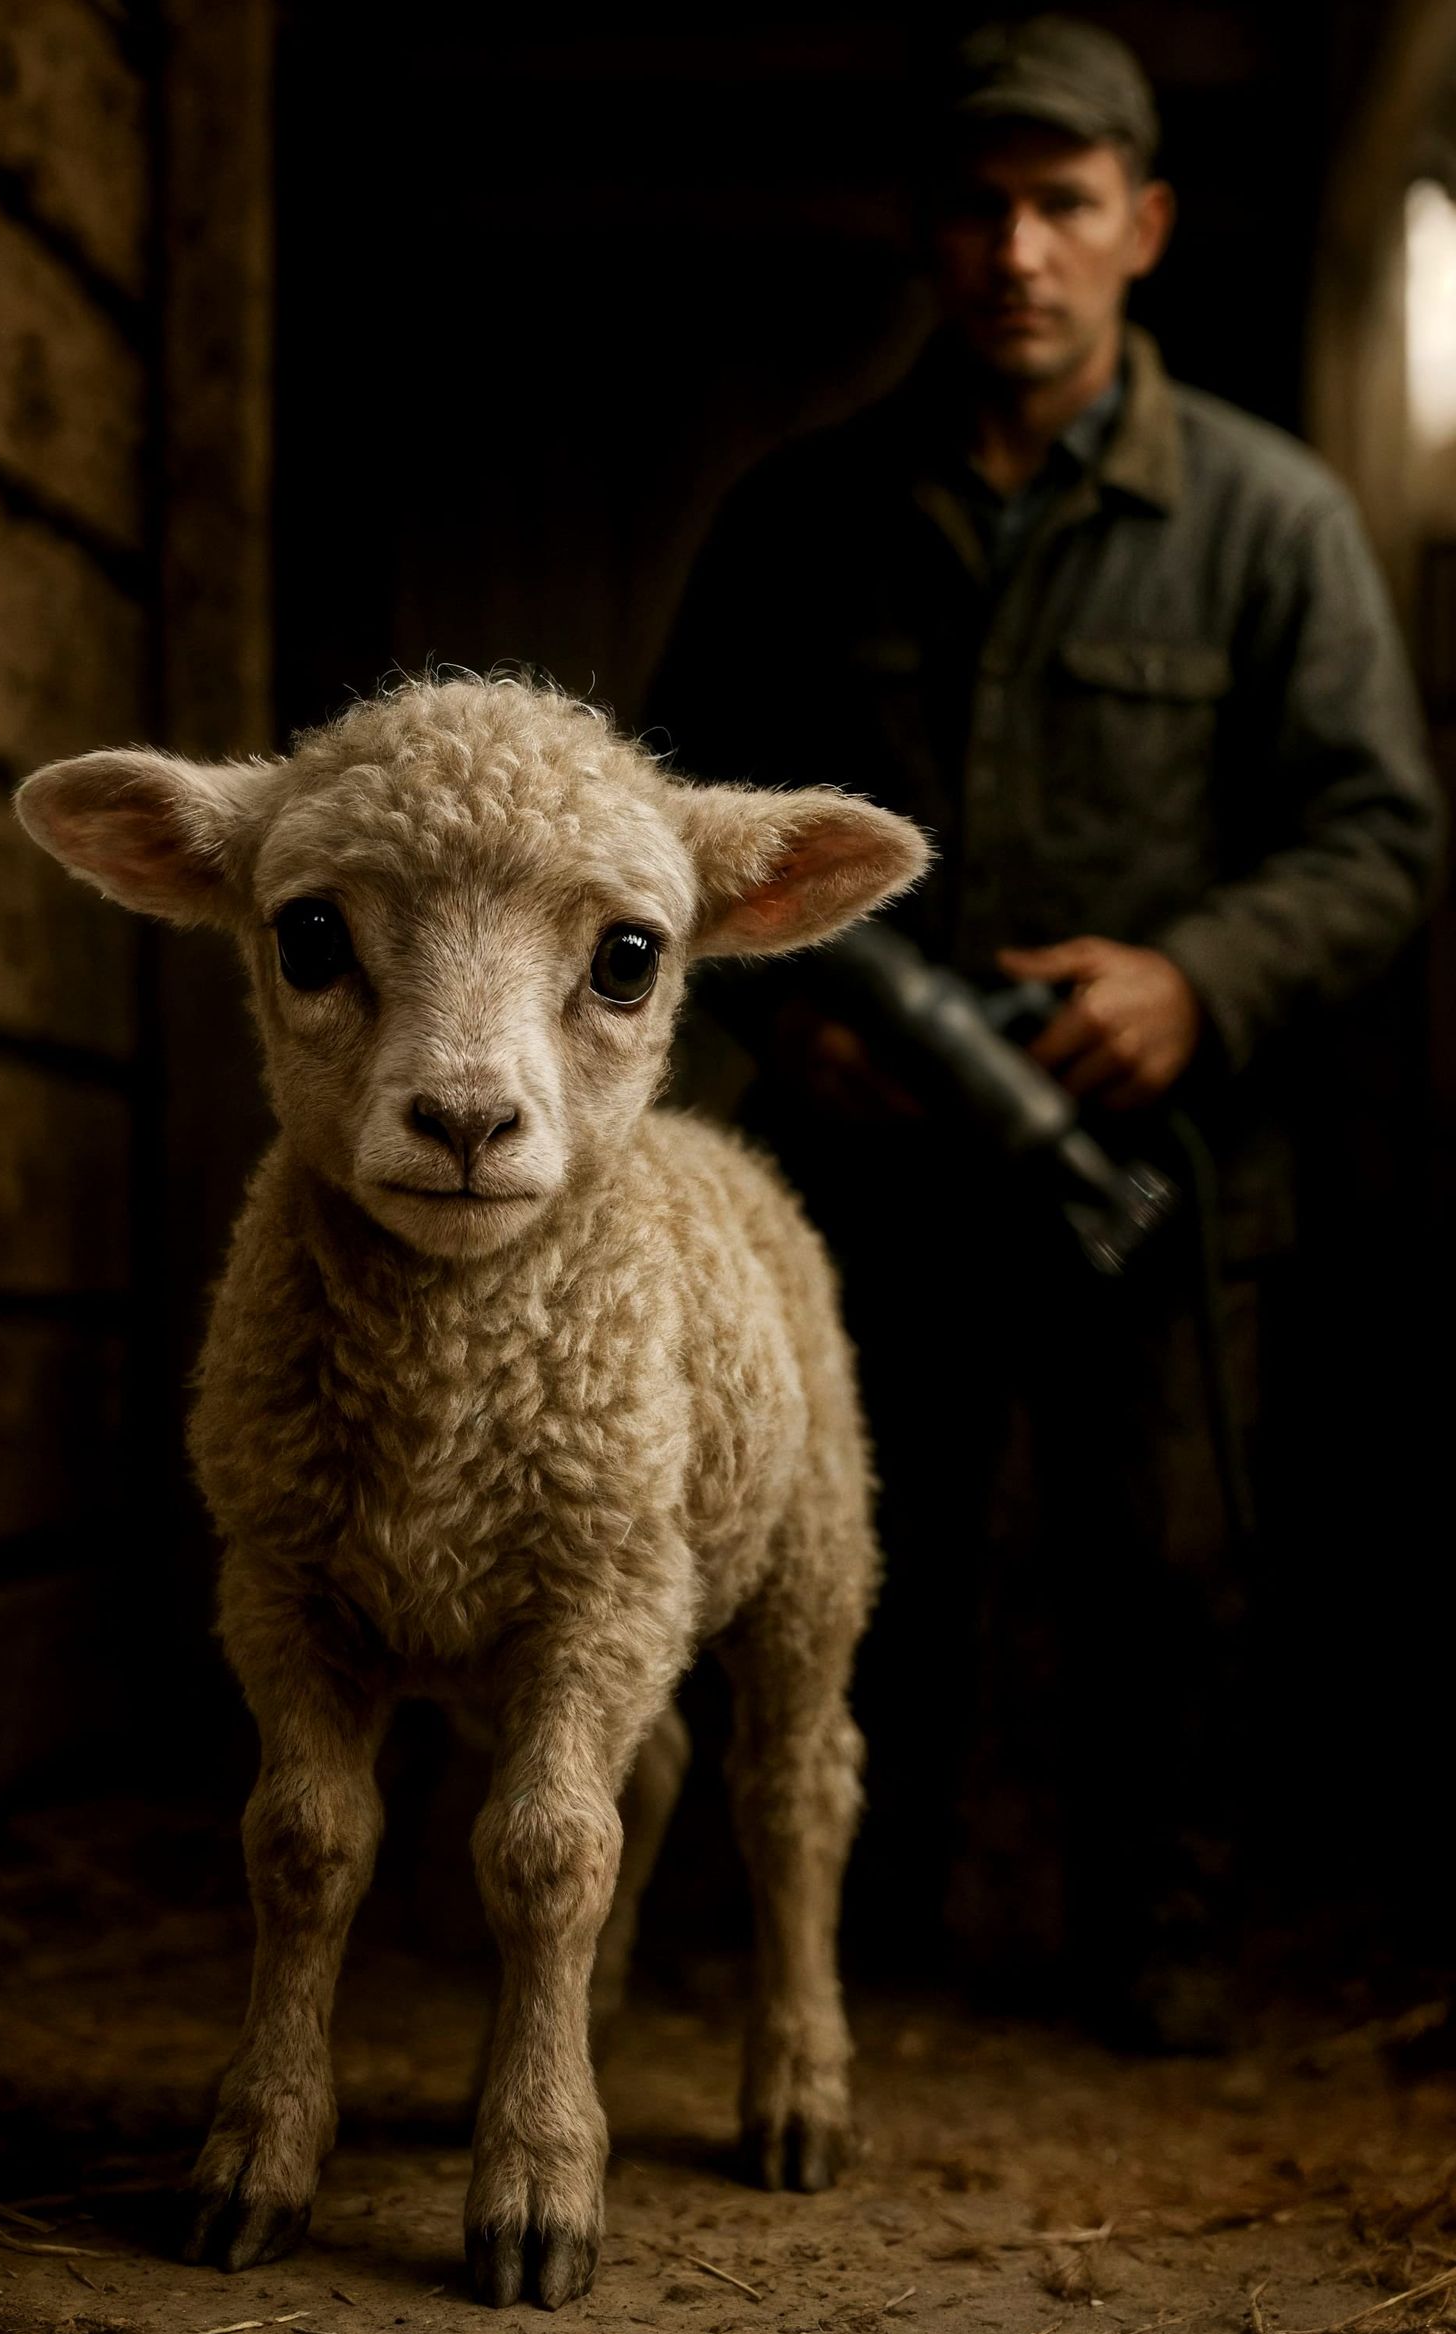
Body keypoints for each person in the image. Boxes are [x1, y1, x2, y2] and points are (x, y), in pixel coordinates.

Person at [647, 14, 1444, 2048]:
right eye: (978, 206)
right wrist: (790, 1006)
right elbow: (654, 830)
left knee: (1167, 1571)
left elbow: (1374, 835)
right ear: (921, 232)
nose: (1018, 250)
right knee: (839, 1552)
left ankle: (1156, 1943)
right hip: (860, 1149)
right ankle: (847, 1922)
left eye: (1062, 206)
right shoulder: (796, 520)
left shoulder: (1267, 522)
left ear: (1142, 226)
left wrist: (1197, 981)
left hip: (1152, 1166)